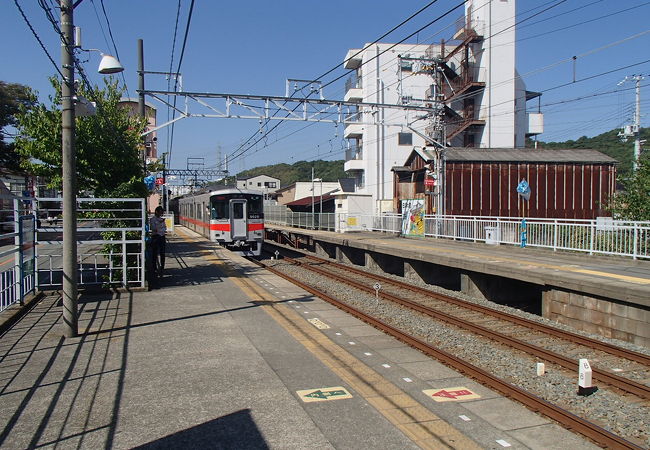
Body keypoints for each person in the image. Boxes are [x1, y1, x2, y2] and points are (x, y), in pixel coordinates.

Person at [150, 206, 167, 276]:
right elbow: (154, 228)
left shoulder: (161, 219)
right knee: (155, 253)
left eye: (162, 212)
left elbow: (165, 228)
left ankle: (162, 267)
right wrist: (160, 225)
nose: (161, 214)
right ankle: (154, 268)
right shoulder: (153, 219)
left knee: (162, 253)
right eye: (160, 212)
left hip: (162, 237)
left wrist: (161, 228)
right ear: (157, 212)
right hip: (155, 237)